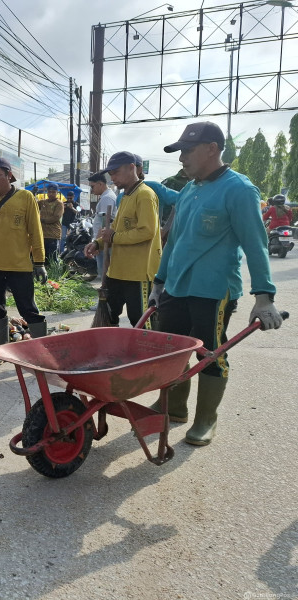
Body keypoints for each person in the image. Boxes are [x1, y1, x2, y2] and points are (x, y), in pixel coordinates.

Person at [147, 121, 283, 445]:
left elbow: (256, 244)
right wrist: (159, 282)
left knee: (210, 353)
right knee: (171, 350)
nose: (182, 159)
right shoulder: (190, 190)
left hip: (213, 291)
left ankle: (206, 419)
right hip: (176, 287)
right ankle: (175, 407)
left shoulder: (240, 189)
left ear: (212, 149)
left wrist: (263, 297)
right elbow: (175, 242)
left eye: (187, 151)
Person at [0, 157, 47, 367]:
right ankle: (1, 351)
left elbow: (35, 230)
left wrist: (39, 262)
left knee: (28, 309)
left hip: (20, 265)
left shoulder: (25, 197)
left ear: (9, 175)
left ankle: (41, 353)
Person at [85, 151, 161, 327]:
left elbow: (146, 231)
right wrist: (97, 243)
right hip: (117, 272)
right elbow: (115, 231)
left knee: (141, 322)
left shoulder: (144, 195)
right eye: (111, 174)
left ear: (132, 168)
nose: (113, 178)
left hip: (138, 274)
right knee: (109, 317)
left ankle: (145, 354)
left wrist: (115, 236)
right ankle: (112, 352)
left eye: (116, 172)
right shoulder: (125, 196)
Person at [88, 172, 117, 279]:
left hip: (103, 240)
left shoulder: (107, 198)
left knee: (104, 273)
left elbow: (105, 223)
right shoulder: (106, 196)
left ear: (100, 184)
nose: (92, 190)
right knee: (103, 272)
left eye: (93, 186)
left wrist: (97, 243)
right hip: (102, 240)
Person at [38, 183, 64, 265]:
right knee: (42, 257)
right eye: (49, 192)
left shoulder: (59, 203)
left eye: (53, 192)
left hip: (53, 234)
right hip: (43, 234)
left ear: (57, 192)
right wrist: (33, 193)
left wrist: (42, 220)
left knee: (52, 258)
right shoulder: (42, 202)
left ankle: (54, 276)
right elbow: (32, 204)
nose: (51, 194)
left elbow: (56, 217)